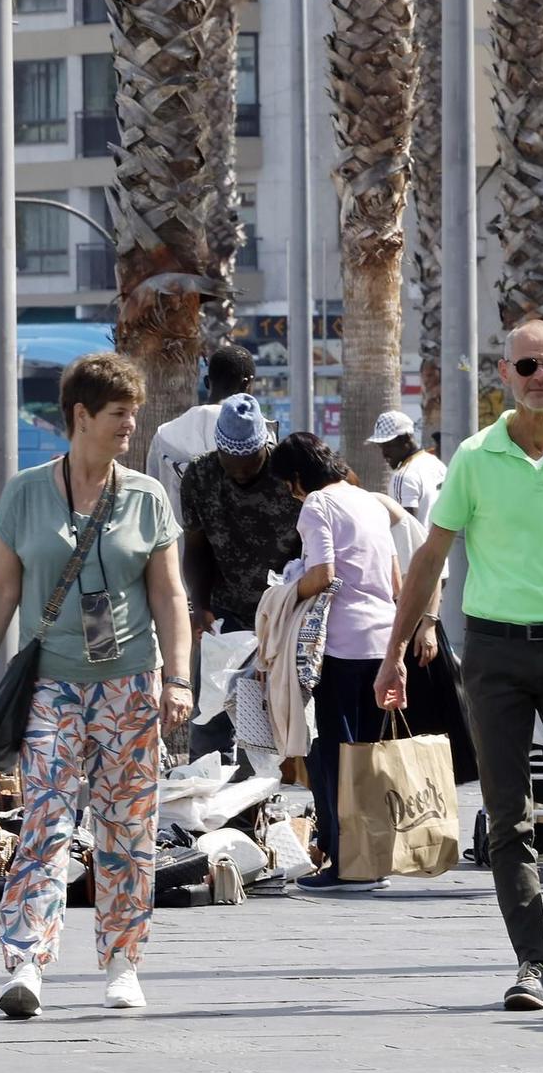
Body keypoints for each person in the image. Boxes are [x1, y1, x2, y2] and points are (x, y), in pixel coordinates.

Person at [376, 316, 543, 1012]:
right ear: (504, 375)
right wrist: (395, 653)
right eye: (526, 366)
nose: (539, 378)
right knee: (508, 815)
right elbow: (429, 559)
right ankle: (531, 961)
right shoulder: (473, 457)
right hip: (493, 651)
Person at [0, 352, 191, 1019]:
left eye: (132, 412)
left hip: (129, 686)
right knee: (45, 821)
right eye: (119, 413)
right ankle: (26, 960)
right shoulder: (27, 492)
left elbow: (170, 594)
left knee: (127, 829)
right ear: (80, 416)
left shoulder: (145, 495)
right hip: (52, 684)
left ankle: (121, 961)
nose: (131, 425)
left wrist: (179, 678)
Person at [268, 432, 407, 892]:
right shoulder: (369, 500)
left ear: (295, 478)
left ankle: (345, 863)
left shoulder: (317, 506)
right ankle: (373, 858)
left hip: (341, 645)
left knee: (335, 752)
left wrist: (285, 592)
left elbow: (322, 575)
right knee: (368, 753)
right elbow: (393, 577)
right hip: (382, 639)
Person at [177, 394, 303, 762]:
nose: (241, 472)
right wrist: (199, 606)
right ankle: (205, 799)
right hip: (226, 610)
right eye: (232, 462)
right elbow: (196, 547)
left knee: (263, 723)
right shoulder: (200, 477)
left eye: (250, 462)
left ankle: (256, 798)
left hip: (281, 614)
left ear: (263, 446)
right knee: (211, 714)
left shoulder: (288, 475)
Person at [145, 344, 258, 514]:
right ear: (246, 384)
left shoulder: (164, 434)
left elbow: (150, 501)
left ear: (207, 382)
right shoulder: (257, 434)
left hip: (177, 539)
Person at [368, 409, 448, 529]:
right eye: (381, 446)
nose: (384, 453)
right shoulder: (437, 464)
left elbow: (406, 530)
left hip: (419, 547)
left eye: (388, 446)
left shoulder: (403, 476)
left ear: (406, 439)